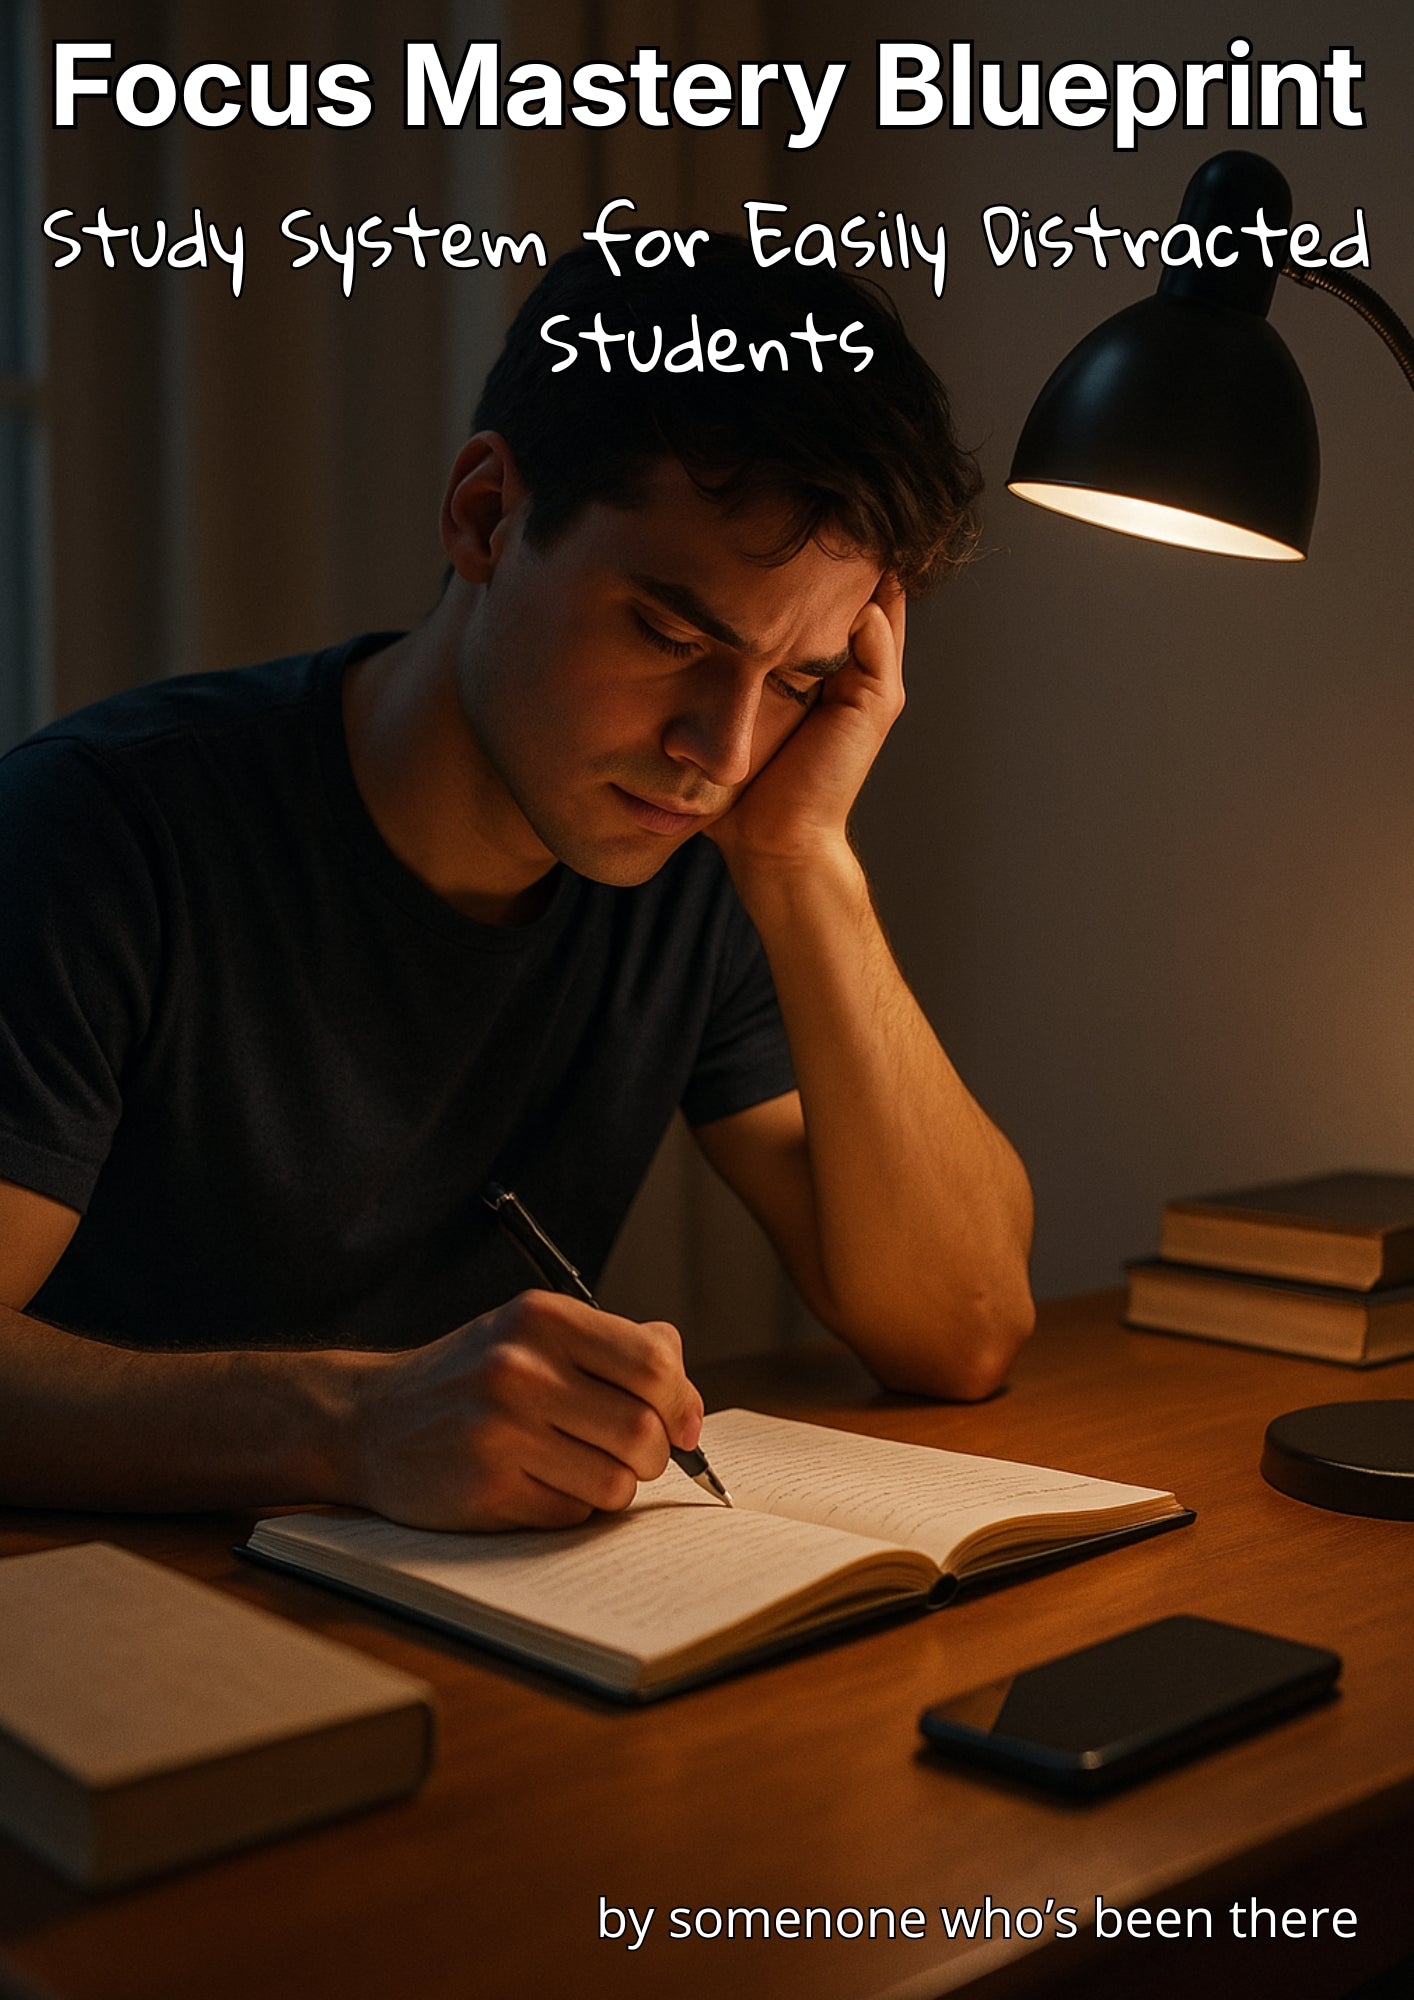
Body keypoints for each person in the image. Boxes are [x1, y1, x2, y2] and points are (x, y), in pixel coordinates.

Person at [0, 236, 1033, 1530]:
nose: (720, 751)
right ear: (485, 515)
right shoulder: (100, 826)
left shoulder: (699, 853)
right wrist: (347, 1426)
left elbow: (964, 1329)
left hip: (467, 1631)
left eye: (798, 681)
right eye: (667, 633)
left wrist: (802, 859)